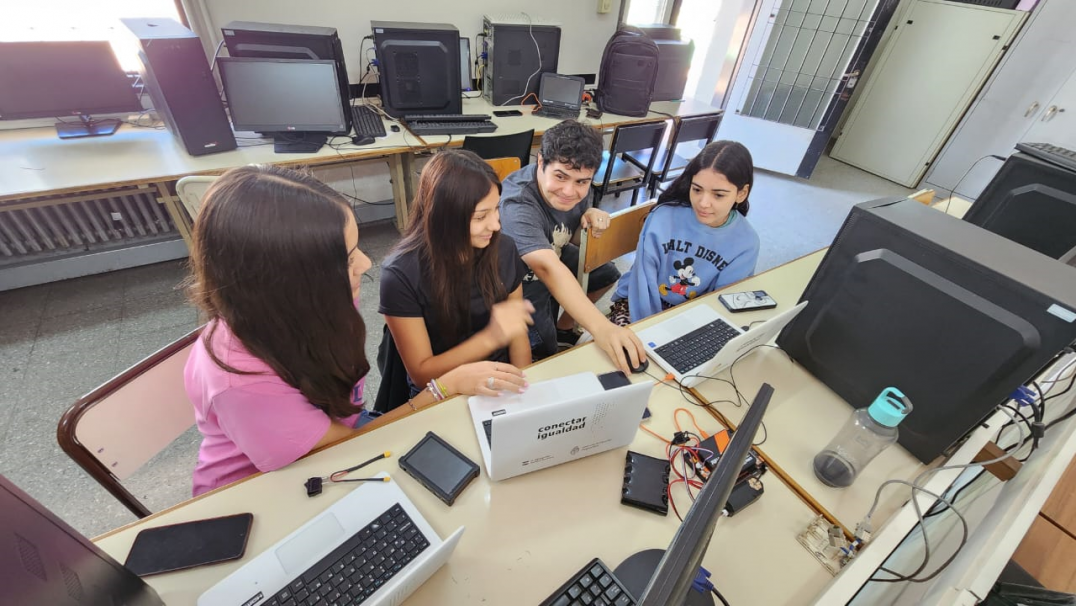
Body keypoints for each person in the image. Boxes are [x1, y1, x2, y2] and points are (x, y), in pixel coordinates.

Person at [184, 165, 526, 496]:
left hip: (340, 431)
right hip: (266, 488)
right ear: (286, 280)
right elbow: (338, 450)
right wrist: (443, 387)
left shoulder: (317, 298)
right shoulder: (241, 383)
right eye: (347, 259)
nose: (365, 264)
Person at [380, 150, 534, 396]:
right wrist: (491, 337)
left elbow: (517, 335)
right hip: (441, 391)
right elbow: (421, 375)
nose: (495, 225)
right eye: (481, 216)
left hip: (499, 380)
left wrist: (525, 388)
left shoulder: (503, 248)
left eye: (496, 209)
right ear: (445, 216)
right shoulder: (400, 274)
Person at [499, 120, 646, 373]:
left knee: (606, 273)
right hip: (516, 275)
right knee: (543, 346)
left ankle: (564, 328)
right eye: (560, 177)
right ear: (541, 161)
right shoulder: (518, 202)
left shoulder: (577, 181)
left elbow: (568, 236)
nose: (570, 191)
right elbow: (546, 268)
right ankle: (550, 339)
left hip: (551, 252)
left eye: (582, 182)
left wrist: (587, 219)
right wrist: (601, 327)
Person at [609, 140, 760, 325]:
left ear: (741, 193)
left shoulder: (746, 243)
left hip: (693, 317)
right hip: (638, 304)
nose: (703, 203)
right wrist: (649, 329)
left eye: (718, 195)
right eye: (697, 189)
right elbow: (642, 282)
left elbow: (722, 303)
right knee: (629, 352)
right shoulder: (663, 217)